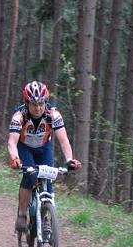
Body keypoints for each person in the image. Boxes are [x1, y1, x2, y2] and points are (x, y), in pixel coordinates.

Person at [7, 80, 81, 232]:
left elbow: (64, 140)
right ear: (27, 103)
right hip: (25, 147)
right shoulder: (19, 117)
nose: (38, 107)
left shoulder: (53, 115)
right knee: (30, 176)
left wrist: (69, 160)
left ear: (46, 101)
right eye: (34, 104)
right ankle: (22, 215)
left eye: (41, 103)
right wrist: (15, 158)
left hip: (43, 148)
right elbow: (12, 142)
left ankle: (46, 217)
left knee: (48, 177)